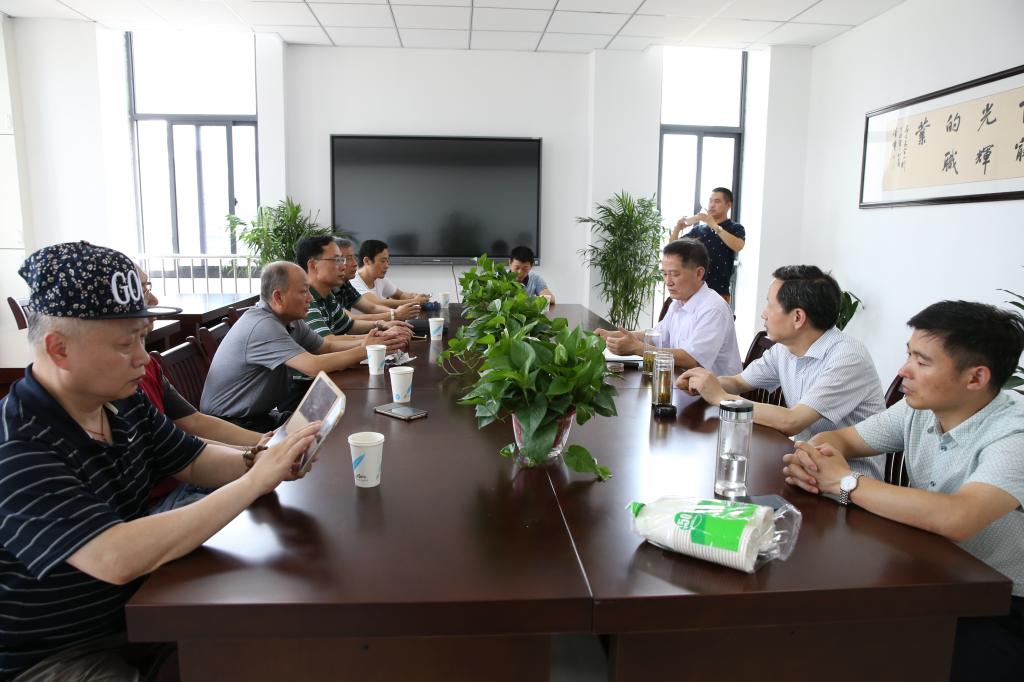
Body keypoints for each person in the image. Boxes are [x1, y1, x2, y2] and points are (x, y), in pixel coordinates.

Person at [0, 241, 322, 680]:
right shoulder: (18, 444)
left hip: (140, 609)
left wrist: (263, 458)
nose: (142, 356)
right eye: (125, 343)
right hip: (54, 653)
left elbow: (192, 460)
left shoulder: (120, 400)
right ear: (59, 349)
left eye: (142, 336)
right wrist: (254, 481)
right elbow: (115, 556)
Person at [781, 301, 1024, 681]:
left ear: (976, 378)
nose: (903, 370)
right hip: (926, 574)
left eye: (922, 362)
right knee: (812, 629)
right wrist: (815, 458)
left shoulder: (1014, 433)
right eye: (909, 354)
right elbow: (842, 439)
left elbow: (958, 517)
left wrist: (844, 482)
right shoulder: (919, 408)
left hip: (998, 604)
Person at [677, 265, 885, 478]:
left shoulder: (848, 357)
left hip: (848, 482)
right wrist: (704, 383)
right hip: (803, 466)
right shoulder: (785, 349)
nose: (764, 313)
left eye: (770, 304)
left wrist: (720, 397)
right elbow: (739, 382)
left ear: (797, 317)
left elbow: (792, 422)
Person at [200, 261, 386, 432]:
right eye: (304, 292)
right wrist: (365, 350)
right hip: (232, 426)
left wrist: (372, 342)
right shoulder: (263, 325)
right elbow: (313, 366)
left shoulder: (290, 320)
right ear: (278, 297)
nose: (310, 299)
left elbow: (325, 347)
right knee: (333, 431)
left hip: (260, 417)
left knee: (335, 424)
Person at [597, 238, 741, 375]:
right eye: (665, 274)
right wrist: (612, 336)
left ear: (698, 273)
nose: (668, 281)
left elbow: (691, 360)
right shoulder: (678, 303)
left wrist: (637, 348)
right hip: (682, 382)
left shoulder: (713, 308)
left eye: (674, 274)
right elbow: (656, 336)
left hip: (716, 390)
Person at [295, 236, 412, 347]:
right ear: (313, 265)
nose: (343, 266)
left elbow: (349, 325)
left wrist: (380, 325)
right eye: (337, 260)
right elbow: (327, 342)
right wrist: (381, 336)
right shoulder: (305, 298)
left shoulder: (328, 296)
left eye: (343, 260)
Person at [670, 187, 745, 303]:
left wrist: (714, 226)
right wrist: (677, 229)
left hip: (719, 292)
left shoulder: (735, 228)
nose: (712, 205)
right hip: (693, 290)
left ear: (728, 205)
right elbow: (672, 249)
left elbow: (738, 246)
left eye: (717, 201)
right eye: (710, 201)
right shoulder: (699, 230)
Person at [332, 238, 422, 323]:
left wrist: (397, 313)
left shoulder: (346, 284)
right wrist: (395, 314)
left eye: (354, 258)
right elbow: (349, 318)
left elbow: (372, 308)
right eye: (346, 259)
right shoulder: (348, 283)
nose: (355, 264)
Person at [351, 239, 430, 309]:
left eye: (387, 261)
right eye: (382, 261)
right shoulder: (353, 281)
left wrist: (415, 296)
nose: (387, 266)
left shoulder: (379, 278)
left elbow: (400, 295)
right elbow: (375, 304)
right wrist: (415, 301)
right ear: (367, 261)